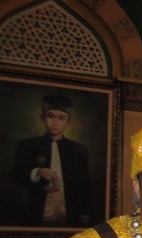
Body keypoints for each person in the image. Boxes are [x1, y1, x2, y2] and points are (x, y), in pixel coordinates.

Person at [10, 94, 93, 227]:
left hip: (69, 210)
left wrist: (85, 215)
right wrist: (37, 172)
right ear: (42, 117)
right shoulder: (28, 145)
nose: (55, 123)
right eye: (50, 116)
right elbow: (17, 178)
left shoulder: (78, 149)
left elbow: (84, 185)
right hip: (37, 209)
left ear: (68, 121)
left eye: (61, 118)